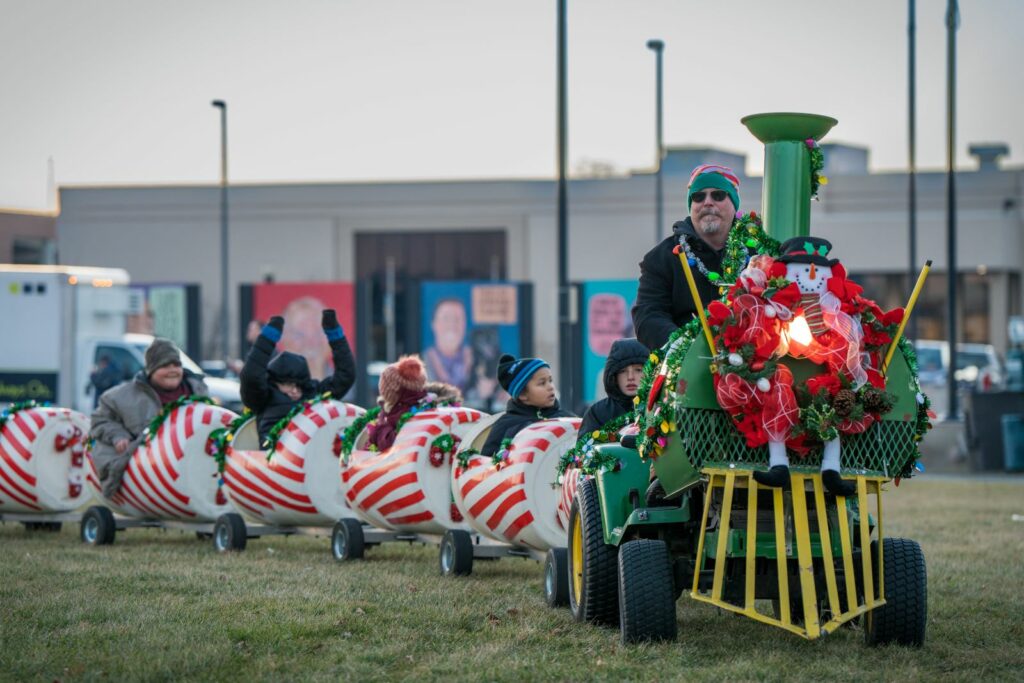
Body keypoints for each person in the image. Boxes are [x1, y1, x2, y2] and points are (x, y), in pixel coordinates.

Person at [632, 164, 743, 351]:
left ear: (734, 204)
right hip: (684, 372)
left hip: (751, 367)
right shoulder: (662, 258)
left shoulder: (758, 252)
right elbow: (648, 316)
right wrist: (685, 347)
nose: (708, 202)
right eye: (699, 197)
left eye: (718, 195)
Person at [89, 339, 209, 498]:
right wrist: (119, 436)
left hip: (193, 465)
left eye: (176, 365)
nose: (172, 370)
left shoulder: (198, 391)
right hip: (149, 467)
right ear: (151, 369)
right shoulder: (120, 397)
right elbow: (101, 420)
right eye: (165, 366)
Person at [240, 309, 356, 444]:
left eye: (298, 385)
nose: (294, 390)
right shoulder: (264, 398)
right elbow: (251, 377)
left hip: (311, 461)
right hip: (275, 462)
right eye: (287, 384)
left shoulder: (314, 392)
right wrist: (267, 338)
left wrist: (334, 334)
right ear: (275, 382)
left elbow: (345, 376)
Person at [480, 354, 576, 457]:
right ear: (522, 394)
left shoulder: (567, 418)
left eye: (550, 380)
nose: (551, 387)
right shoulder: (506, 425)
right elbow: (488, 464)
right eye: (542, 383)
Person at [579, 338, 648, 435]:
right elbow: (584, 448)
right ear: (614, 375)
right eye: (623, 371)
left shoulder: (659, 408)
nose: (630, 377)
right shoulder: (598, 413)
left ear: (650, 372)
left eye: (638, 370)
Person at [423, 298, 473, 395]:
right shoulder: (422, 362)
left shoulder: (478, 359)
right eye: (446, 318)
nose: (452, 324)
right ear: (433, 324)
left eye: (457, 319)